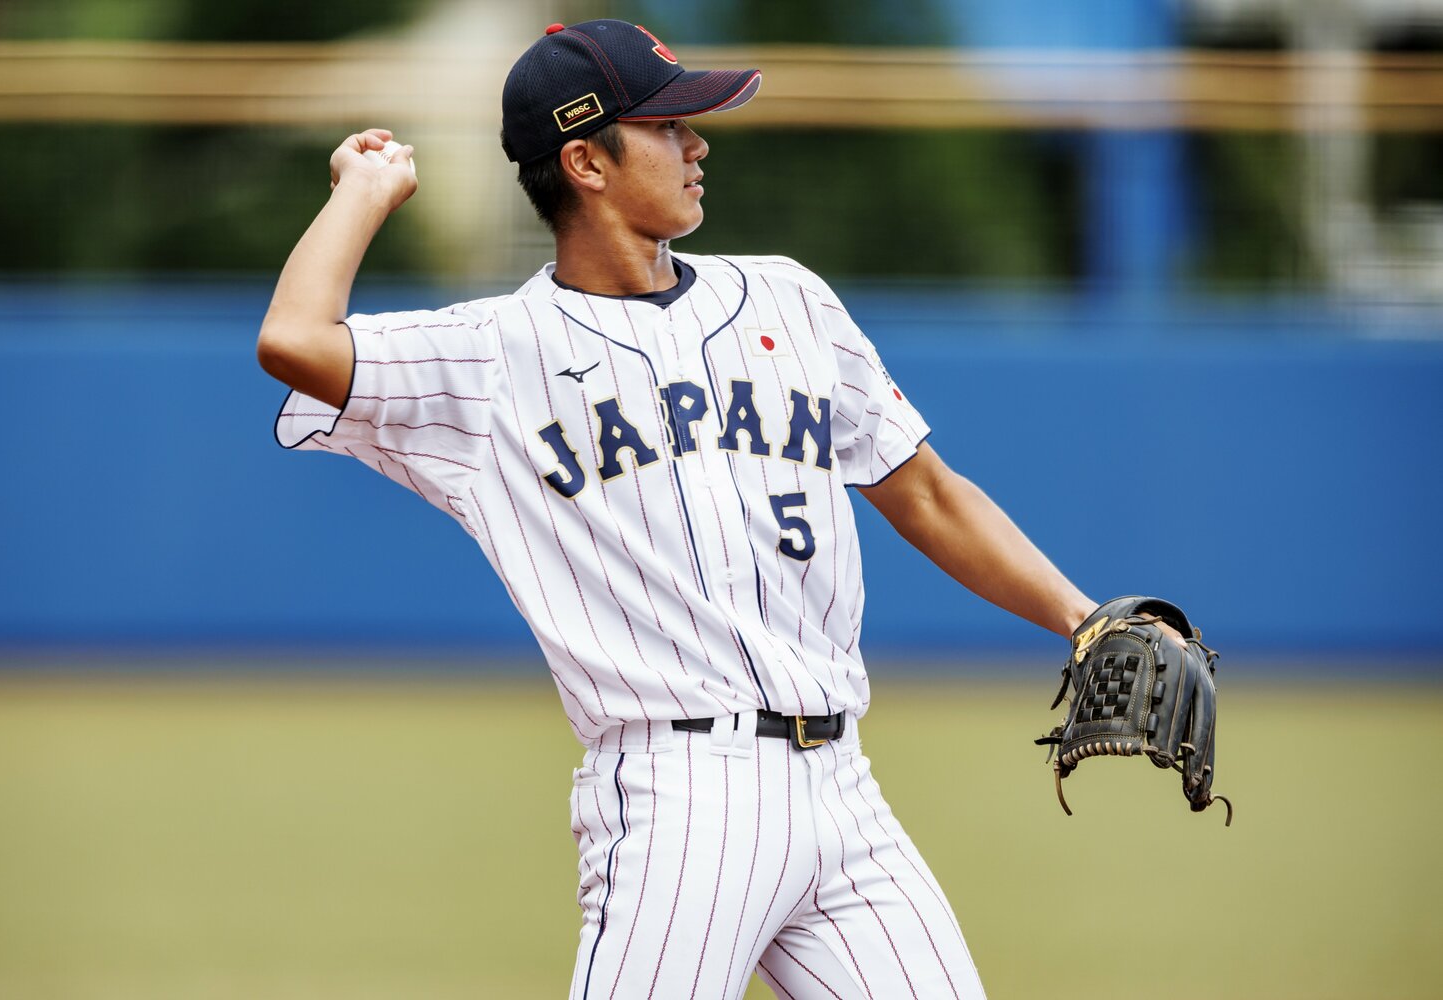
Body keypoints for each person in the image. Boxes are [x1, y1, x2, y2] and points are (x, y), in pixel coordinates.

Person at [259, 19, 1100, 1000]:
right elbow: (293, 338)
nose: (699, 143)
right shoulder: (495, 352)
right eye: (668, 124)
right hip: (680, 792)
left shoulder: (789, 299)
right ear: (585, 160)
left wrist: (1084, 620)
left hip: (844, 785)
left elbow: (925, 491)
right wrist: (361, 196)